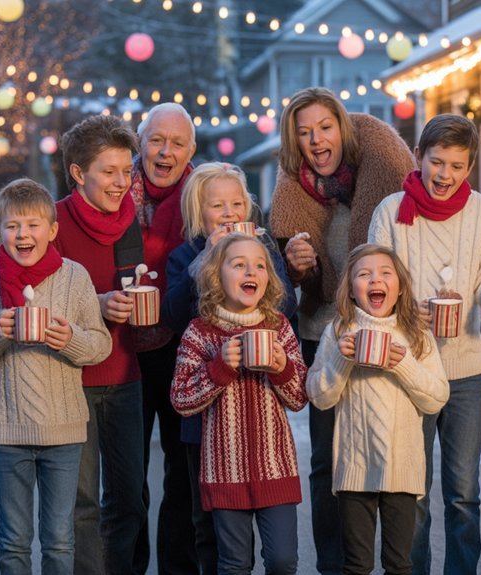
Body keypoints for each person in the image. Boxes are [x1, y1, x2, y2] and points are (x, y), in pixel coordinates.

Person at [268, 86, 414, 575]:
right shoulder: (296, 193)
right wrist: (297, 266)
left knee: (396, 460)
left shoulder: (382, 185)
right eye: (304, 133)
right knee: (328, 462)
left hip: (385, 332)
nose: (316, 140)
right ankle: (336, 566)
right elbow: (295, 286)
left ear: (343, 130)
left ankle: (402, 564)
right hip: (322, 333)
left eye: (324, 128)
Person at [368, 114, 481, 574]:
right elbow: (374, 285)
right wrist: (411, 312)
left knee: (462, 492)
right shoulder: (391, 211)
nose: (445, 175)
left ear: (469, 166)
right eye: (437, 162)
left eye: (457, 166)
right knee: (412, 489)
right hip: (410, 370)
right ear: (418, 157)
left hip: (465, 370)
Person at [0, 178, 112, 574]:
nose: (23, 234)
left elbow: (100, 344)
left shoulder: (74, 277)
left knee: (60, 541)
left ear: (52, 230)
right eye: (12, 226)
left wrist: (70, 339)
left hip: (64, 433)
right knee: (13, 542)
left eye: (33, 225)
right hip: (8, 433)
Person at [162, 162, 298, 574]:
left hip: (267, 438)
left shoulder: (262, 253)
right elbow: (170, 315)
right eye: (217, 205)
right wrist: (206, 260)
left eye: (237, 203)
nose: (228, 212)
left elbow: (285, 304)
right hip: (208, 428)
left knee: (277, 554)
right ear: (197, 213)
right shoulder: (186, 255)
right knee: (214, 536)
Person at [306, 244, 448, 575]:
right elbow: (319, 396)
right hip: (355, 469)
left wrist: (405, 366)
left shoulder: (417, 336)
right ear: (351, 290)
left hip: (402, 470)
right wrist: (341, 360)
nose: (375, 280)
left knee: (399, 565)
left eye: (386, 273)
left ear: (399, 288)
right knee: (356, 565)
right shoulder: (339, 332)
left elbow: (436, 398)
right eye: (364, 274)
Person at [53, 114, 147, 575]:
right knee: (83, 501)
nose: (121, 182)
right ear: (78, 172)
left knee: (129, 498)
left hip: (127, 377)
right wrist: (96, 302)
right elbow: (35, 295)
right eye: (109, 171)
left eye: (127, 171)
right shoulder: (51, 222)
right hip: (73, 381)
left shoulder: (134, 222)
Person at [128, 102, 200, 575]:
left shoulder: (203, 193)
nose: (165, 151)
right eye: (157, 139)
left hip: (182, 348)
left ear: (190, 150)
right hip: (122, 351)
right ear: (141, 142)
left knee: (182, 477)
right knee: (128, 478)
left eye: (176, 143)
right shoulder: (114, 184)